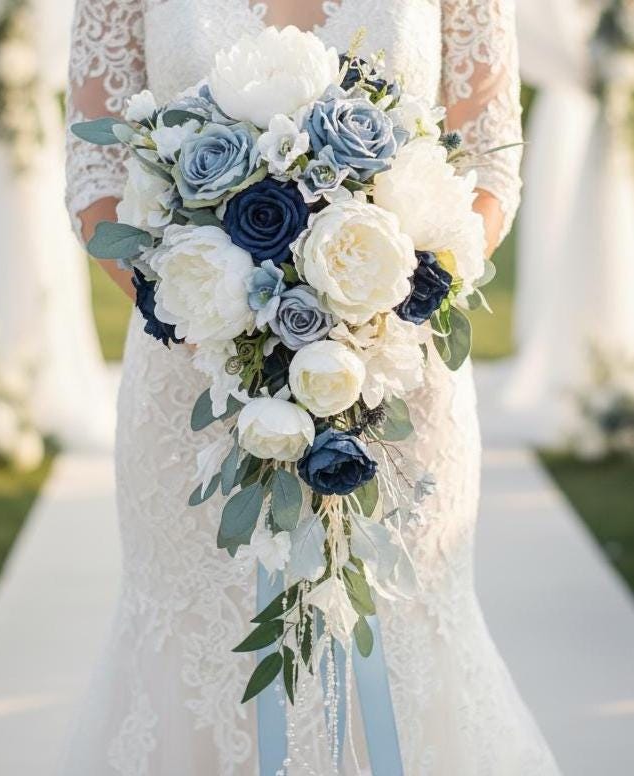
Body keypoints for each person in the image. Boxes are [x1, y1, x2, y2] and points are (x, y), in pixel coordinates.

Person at [62, 2, 561, 773]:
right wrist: (220, 320)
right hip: (189, 385)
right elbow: (96, 175)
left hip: (399, 373)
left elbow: (488, 161)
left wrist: (382, 303)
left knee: (400, 636)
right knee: (201, 652)